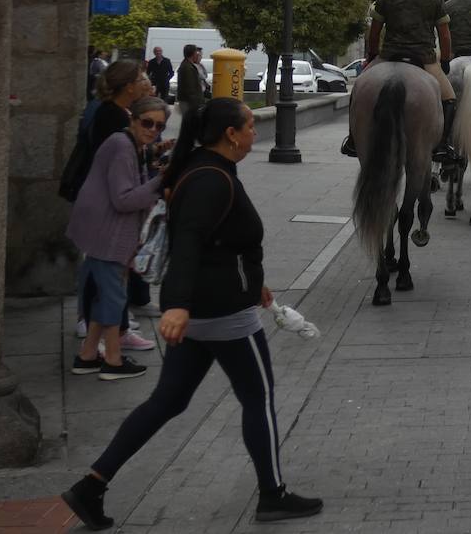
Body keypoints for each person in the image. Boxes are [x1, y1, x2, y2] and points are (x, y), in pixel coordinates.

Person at [60, 98, 323, 529]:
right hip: (221, 315)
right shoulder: (210, 179)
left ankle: (91, 486)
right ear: (231, 134)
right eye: (250, 128)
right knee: (259, 397)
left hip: (207, 310)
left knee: (167, 401)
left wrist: (252, 281)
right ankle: (273, 494)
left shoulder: (203, 167)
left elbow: (219, 241)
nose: (255, 133)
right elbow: (188, 242)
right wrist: (177, 304)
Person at [68, 95, 169, 382]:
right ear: (133, 120)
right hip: (106, 232)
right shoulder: (122, 146)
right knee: (113, 295)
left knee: (104, 293)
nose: (152, 130)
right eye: (147, 122)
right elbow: (123, 199)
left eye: (159, 126)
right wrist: (162, 180)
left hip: (101, 230)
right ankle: (112, 360)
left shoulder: (130, 144)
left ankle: (88, 355)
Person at [80, 61, 160, 355]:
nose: (144, 81)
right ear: (127, 85)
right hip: (109, 212)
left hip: (109, 209)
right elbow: (122, 184)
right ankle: (111, 341)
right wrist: (157, 182)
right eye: (140, 78)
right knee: (108, 278)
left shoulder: (117, 114)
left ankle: (94, 347)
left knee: (109, 275)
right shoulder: (112, 118)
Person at [357, 0, 459, 163]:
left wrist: (373, 56)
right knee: (450, 98)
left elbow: (374, 33)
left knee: (359, 88)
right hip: (423, 58)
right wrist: (446, 59)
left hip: (389, 54)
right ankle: (442, 144)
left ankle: (353, 139)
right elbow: (445, 35)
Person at [175, 44, 206, 114]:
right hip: (189, 102)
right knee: (189, 122)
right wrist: (197, 103)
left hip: (188, 101)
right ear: (193, 54)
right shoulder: (187, 67)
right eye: (196, 53)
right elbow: (190, 87)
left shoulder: (188, 65)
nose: (197, 55)